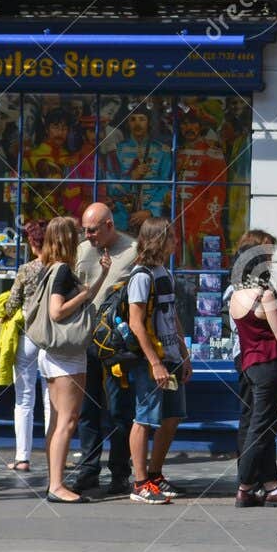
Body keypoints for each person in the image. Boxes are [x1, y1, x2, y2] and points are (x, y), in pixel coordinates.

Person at [227, 228, 277, 508]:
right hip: (268, 365)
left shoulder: (236, 296)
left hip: (249, 363)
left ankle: (271, 487)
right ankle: (245, 487)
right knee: (261, 429)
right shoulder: (265, 295)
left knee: (257, 426)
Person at [37, 216, 108, 504]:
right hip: (66, 355)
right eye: (76, 234)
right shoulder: (63, 270)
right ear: (66, 239)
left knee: (57, 420)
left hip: (55, 354)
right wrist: (85, 295)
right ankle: (56, 485)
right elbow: (57, 312)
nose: (82, 239)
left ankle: (55, 480)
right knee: (68, 420)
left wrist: (100, 279)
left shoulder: (49, 268)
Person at [70, 202, 138, 497]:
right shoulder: (82, 250)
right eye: (84, 230)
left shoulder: (133, 251)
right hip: (85, 341)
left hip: (115, 346)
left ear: (110, 225)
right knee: (87, 410)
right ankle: (88, 470)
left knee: (119, 410)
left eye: (93, 230)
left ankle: (120, 472)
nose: (87, 236)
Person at [123, 216, 191, 505]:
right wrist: (155, 362)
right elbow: (136, 322)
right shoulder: (141, 277)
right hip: (150, 360)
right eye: (172, 237)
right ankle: (139, 483)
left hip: (171, 356)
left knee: (171, 417)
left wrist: (184, 353)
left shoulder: (164, 272)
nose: (176, 242)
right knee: (144, 418)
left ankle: (155, 473)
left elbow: (171, 314)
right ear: (159, 240)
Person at [3, 220, 51, 472]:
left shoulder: (26, 269)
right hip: (52, 337)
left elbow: (12, 304)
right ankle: (56, 454)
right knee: (50, 399)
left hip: (28, 336)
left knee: (23, 399)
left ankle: (22, 457)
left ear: (33, 243)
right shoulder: (60, 268)